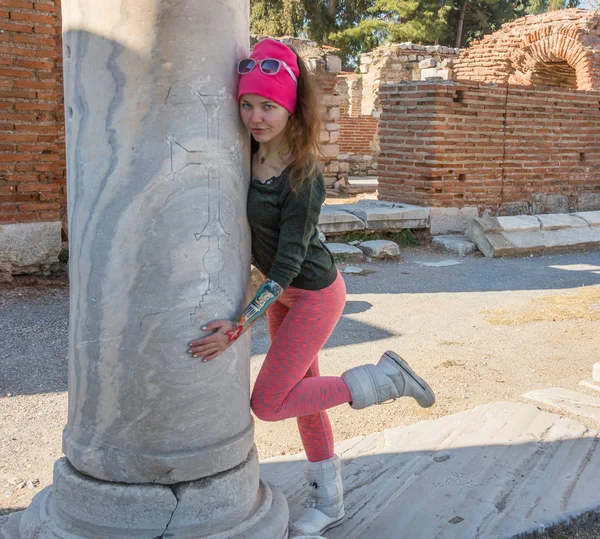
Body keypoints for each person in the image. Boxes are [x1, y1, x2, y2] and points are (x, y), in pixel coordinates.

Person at [187, 38, 435, 537]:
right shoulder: (246, 154)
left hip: (313, 294)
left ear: (291, 107)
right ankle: (330, 502)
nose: (256, 117)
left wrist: (237, 326)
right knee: (304, 399)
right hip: (284, 295)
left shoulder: (303, 175)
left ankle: (385, 381)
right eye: (247, 104)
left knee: (270, 402)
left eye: (268, 106)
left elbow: (286, 265)